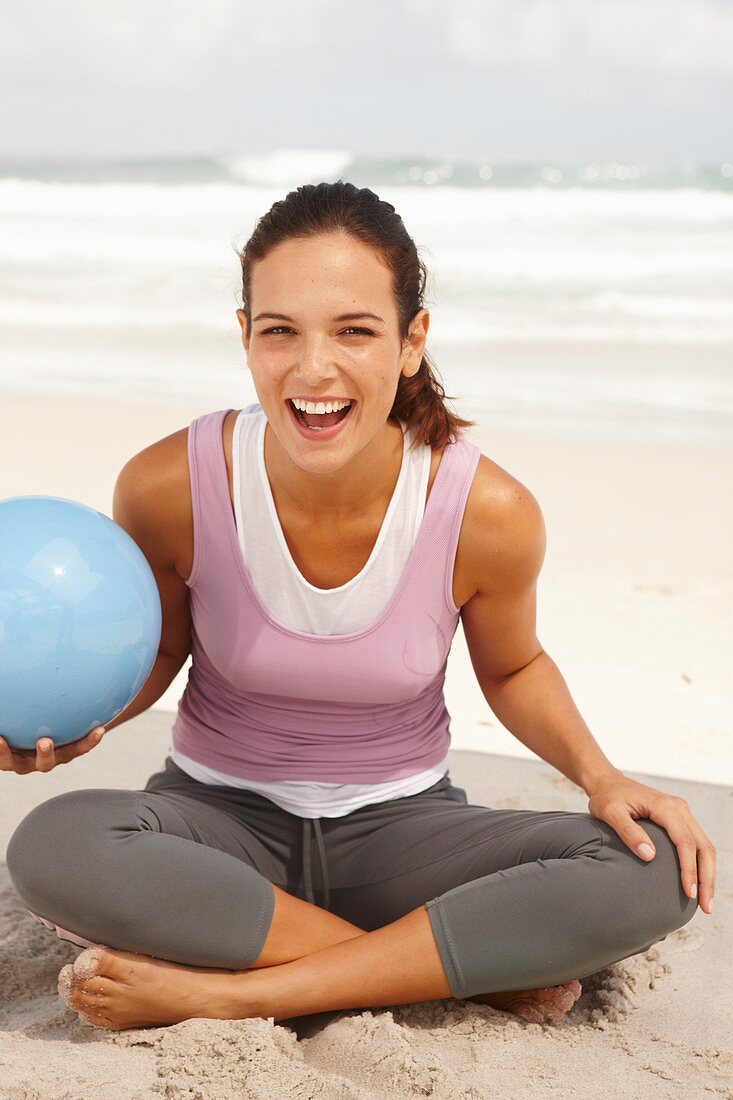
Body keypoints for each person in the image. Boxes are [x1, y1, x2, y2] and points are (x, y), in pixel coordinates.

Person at [4, 182, 714, 1032]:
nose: (313, 370)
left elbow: (514, 665)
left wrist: (603, 781)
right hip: (216, 825)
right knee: (53, 844)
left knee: (653, 866)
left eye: (354, 330)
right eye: (280, 332)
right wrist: (77, 723)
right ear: (244, 337)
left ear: (412, 341)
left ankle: (239, 990)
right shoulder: (168, 486)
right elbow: (155, 652)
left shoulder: (484, 511)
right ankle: (432, 967)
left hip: (403, 835)